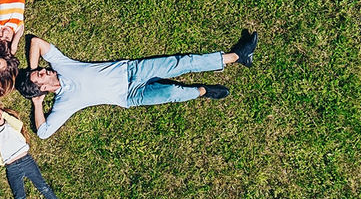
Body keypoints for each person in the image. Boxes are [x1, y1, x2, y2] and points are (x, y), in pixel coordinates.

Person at [16, 29, 260, 138]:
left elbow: (36, 42)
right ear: (43, 89)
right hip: (130, 97)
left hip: (133, 70)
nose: (44, 71)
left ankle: (237, 57)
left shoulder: (61, 64)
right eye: (40, 77)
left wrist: (31, 69)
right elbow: (44, 133)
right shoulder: (64, 103)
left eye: (40, 70)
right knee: (174, 92)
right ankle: (204, 91)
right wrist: (38, 104)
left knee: (182, 62)